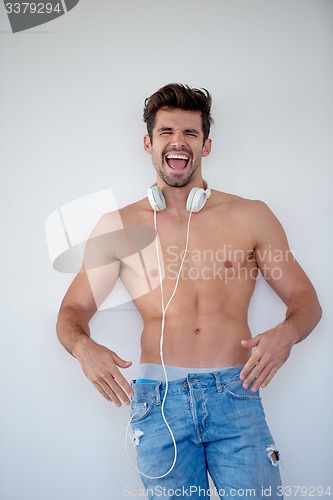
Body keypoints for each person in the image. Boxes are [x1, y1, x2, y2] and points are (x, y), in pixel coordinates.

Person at [56, 83, 322, 499]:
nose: (177, 142)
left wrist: (287, 334)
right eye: (166, 132)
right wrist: (82, 347)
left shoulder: (251, 215)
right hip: (157, 403)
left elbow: (306, 301)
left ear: (206, 145)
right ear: (148, 142)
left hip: (236, 394)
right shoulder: (120, 227)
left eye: (190, 133)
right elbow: (72, 309)